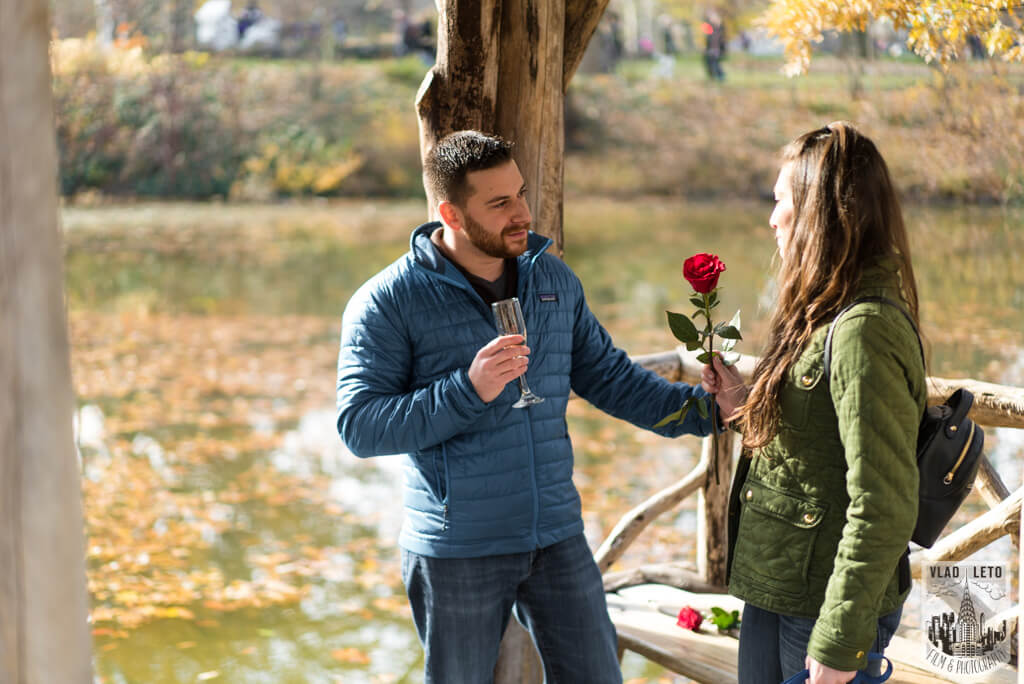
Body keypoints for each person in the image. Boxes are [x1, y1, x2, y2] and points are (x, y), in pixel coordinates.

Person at [336, 130, 719, 683]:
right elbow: (359, 426)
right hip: (458, 547)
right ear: (451, 211)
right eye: (499, 203)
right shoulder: (388, 301)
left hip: (557, 536)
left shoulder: (554, 281)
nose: (521, 213)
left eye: (519, 194)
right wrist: (467, 389)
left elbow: (610, 379)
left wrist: (706, 411)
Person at [701, 122, 925, 684]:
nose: (772, 218)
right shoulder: (825, 306)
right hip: (781, 583)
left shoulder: (863, 328)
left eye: (783, 202)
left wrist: (839, 639)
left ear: (824, 214)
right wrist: (745, 405)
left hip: (821, 607)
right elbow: (818, 444)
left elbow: (884, 503)